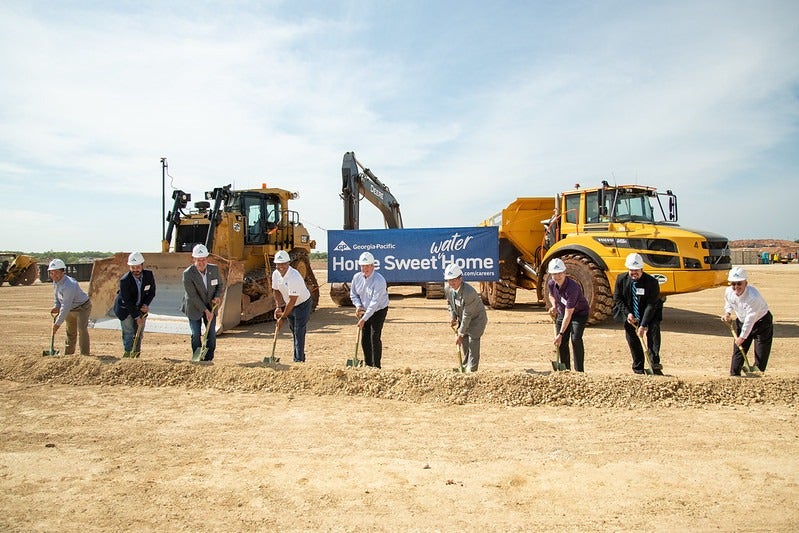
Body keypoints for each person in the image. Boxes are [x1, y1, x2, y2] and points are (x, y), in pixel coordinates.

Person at [613, 253, 664, 375]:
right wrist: (628, 314)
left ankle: (654, 364)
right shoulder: (621, 279)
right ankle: (638, 367)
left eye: (636, 270)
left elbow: (651, 305)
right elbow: (618, 298)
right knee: (632, 339)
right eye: (631, 270)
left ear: (642, 269)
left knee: (653, 334)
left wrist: (643, 325)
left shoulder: (652, 282)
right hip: (631, 314)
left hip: (650, 312)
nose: (634, 273)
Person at [721, 266, 773, 376]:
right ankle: (734, 375)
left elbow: (750, 319)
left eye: (739, 283)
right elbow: (729, 303)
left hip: (761, 323)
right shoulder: (729, 292)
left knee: (761, 353)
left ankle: (757, 374)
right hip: (742, 321)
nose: (736, 287)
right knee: (738, 351)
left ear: (746, 283)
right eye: (733, 284)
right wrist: (728, 313)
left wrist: (742, 337)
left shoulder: (753, 297)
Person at [181, 244, 224, 361]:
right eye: (198, 260)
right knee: (196, 333)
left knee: (211, 334)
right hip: (194, 307)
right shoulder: (188, 274)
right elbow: (192, 296)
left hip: (211, 306)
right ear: (193, 259)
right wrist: (205, 311)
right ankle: (197, 355)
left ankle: (208, 358)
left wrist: (217, 297)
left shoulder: (213, 269)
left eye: (203, 259)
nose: (201, 262)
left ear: (207, 259)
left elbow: (220, 285)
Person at [546, 258, 590, 372]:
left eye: (559, 273)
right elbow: (551, 295)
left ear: (565, 272)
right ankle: (566, 369)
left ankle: (579, 371)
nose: (557, 276)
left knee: (575, 338)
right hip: (562, 311)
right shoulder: (551, 283)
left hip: (579, 313)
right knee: (561, 342)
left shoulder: (572, 288)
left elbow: (569, 313)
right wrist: (554, 305)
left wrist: (560, 333)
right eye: (554, 274)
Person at [444, 263, 488, 372]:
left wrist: (460, 333)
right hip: (463, 318)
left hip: (477, 319)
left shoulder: (469, 293)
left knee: (473, 341)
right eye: (449, 280)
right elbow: (450, 303)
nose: (451, 283)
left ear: (460, 278)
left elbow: (467, 315)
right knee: (464, 343)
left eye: (454, 280)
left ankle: (472, 369)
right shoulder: (448, 288)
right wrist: (453, 316)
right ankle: (464, 366)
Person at [271, 250, 313, 362]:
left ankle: (299, 360)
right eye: (278, 264)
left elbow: (292, 300)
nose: (281, 267)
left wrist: (283, 317)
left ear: (288, 263)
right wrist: (278, 307)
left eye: (283, 264)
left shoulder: (294, 277)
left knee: (299, 331)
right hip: (290, 304)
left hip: (302, 304)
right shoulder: (275, 274)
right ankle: (299, 356)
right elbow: (276, 291)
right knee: (293, 331)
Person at [349, 251, 389, 368]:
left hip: (378, 310)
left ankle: (376, 367)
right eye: (362, 266)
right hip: (364, 309)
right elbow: (353, 294)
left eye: (367, 266)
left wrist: (364, 319)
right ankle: (368, 365)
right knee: (365, 339)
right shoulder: (356, 278)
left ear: (373, 266)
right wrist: (358, 306)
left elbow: (374, 303)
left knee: (374, 337)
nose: (364, 268)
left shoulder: (379, 280)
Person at [113, 252, 156, 356]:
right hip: (125, 309)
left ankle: (136, 354)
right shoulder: (125, 280)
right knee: (129, 333)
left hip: (140, 307)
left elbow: (151, 292)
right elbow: (127, 301)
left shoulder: (148, 275)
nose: (135, 270)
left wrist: (146, 304)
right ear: (130, 267)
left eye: (137, 267)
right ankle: (128, 355)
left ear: (142, 265)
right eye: (133, 267)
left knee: (139, 333)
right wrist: (137, 317)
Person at [48, 258, 92, 355]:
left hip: (82, 307)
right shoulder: (56, 282)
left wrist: (57, 324)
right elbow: (57, 296)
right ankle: (68, 355)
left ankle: (85, 355)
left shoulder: (69, 285)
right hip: (70, 308)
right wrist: (56, 306)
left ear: (63, 272)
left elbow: (65, 306)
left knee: (81, 329)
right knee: (70, 331)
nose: (53, 275)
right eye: (51, 273)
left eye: (56, 272)